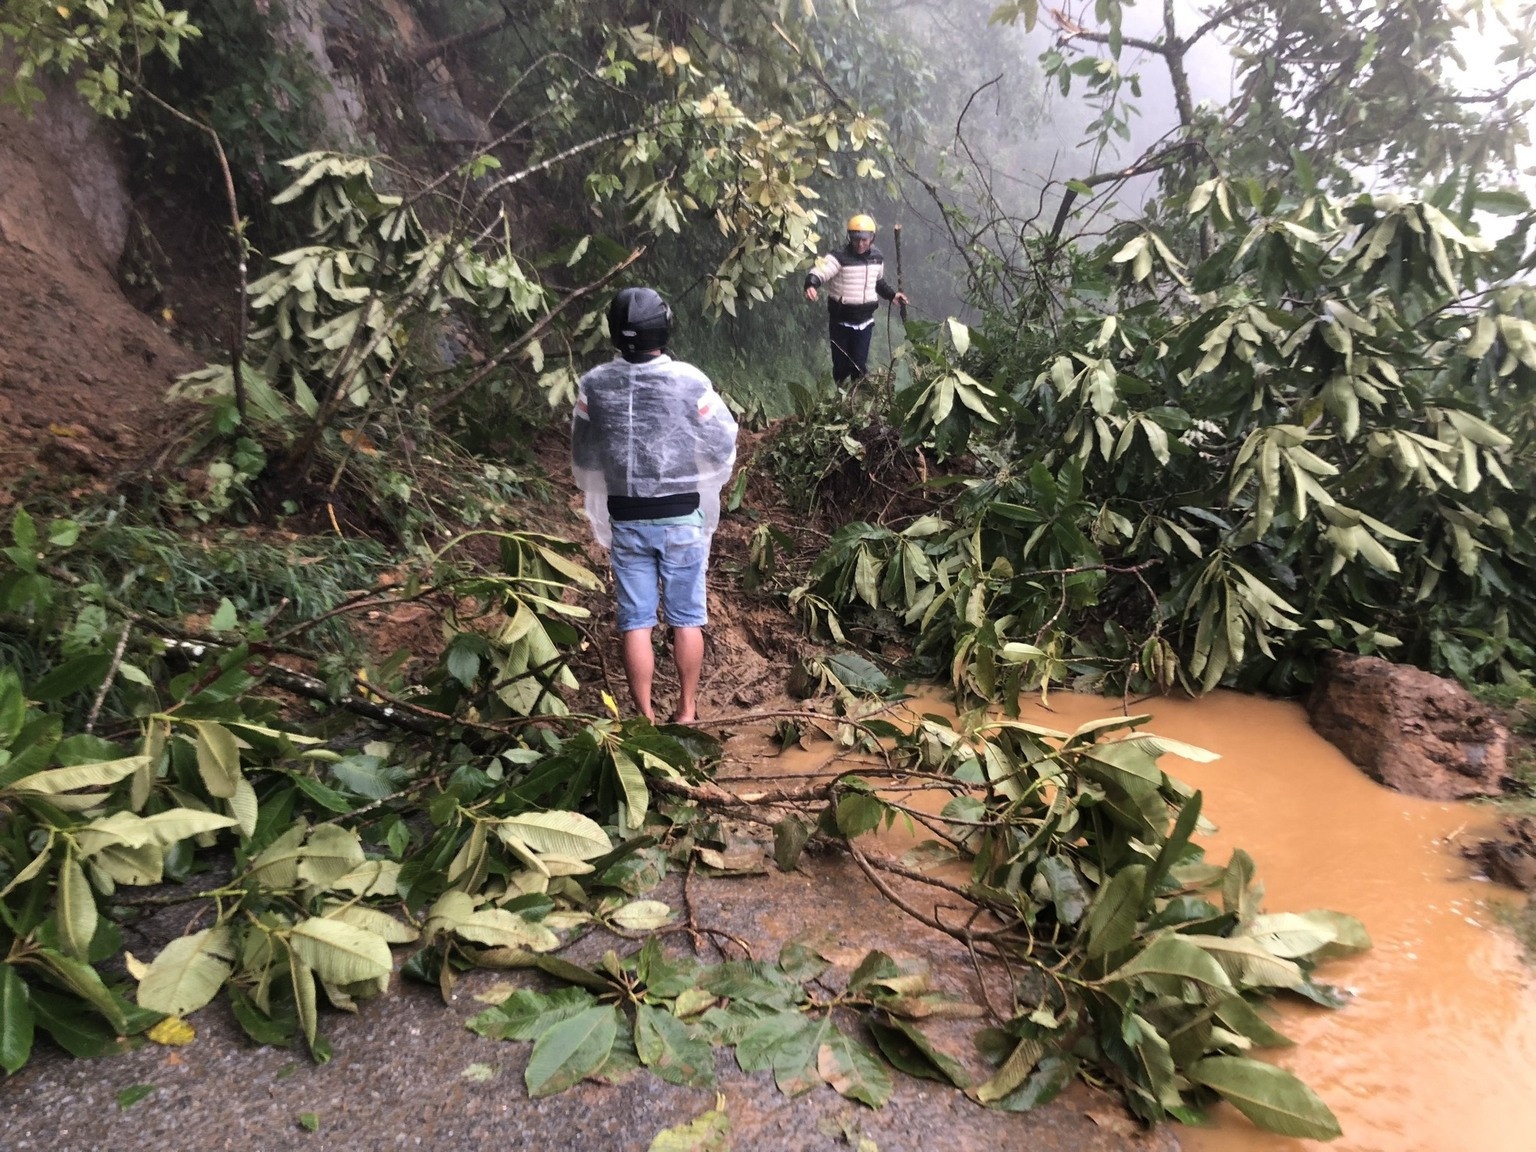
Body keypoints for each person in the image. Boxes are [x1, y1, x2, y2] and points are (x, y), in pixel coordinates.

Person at [570, 287, 739, 725]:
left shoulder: (594, 386)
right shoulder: (690, 381)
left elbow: (585, 455)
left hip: (625, 516)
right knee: (686, 617)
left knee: (636, 620)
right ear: (663, 328)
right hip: (682, 516)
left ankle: (642, 717)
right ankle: (686, 710)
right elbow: (722, 441)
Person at [803, 213, 909, 384]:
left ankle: (857, 401)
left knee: (859, 365)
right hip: (841, 321)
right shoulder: (839, 257)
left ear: (872, 239)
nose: (860, 244)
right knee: (841, 366)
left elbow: (877, 282)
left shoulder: (877, 258)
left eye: (864, 240)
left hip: (864, 322)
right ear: (850, 237)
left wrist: (892, 296)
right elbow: (819, 271)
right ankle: (840, 397)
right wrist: (811, 285)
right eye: (856, 239)